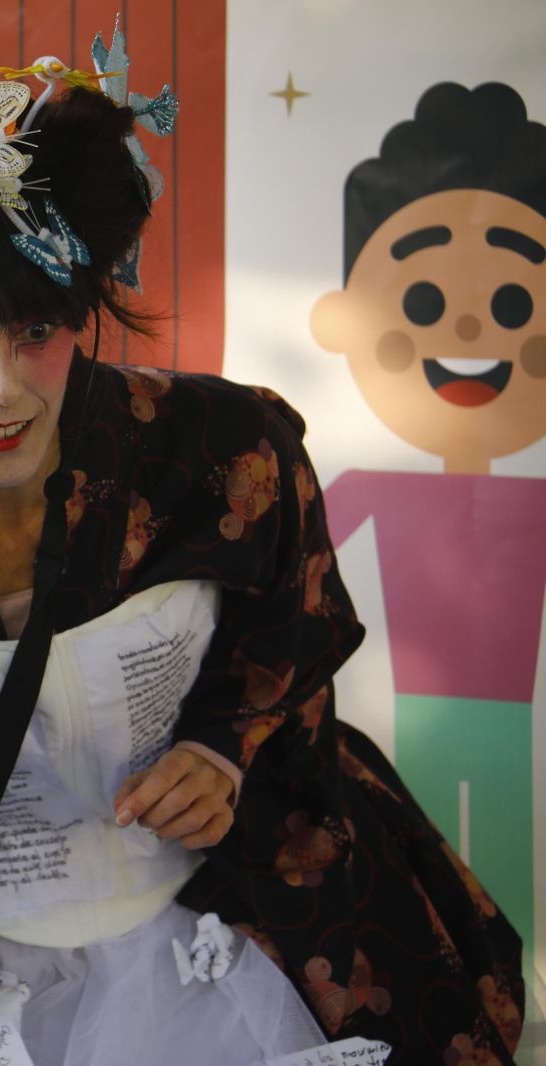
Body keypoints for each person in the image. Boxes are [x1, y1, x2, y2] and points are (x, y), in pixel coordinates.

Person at [0, 36, 524, 1066]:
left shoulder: (227, 452)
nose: (2, 387)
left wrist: (221, 749)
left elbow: (291, 648)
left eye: (35, 328)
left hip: (220, 936)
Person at [310, 81, 546, 965]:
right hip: (394, 715)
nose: (475, 323)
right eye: (422, 299)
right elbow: (285, 561)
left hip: (512, 714)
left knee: (508, 852)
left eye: (515, 303)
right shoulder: (365, 483)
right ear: (342, 319)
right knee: (413, 854)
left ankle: (515, 1000)